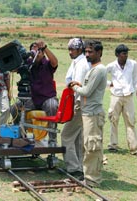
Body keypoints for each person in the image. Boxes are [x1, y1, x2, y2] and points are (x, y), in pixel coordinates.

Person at [69, 39, 107, 188]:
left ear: (99, 52)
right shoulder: (93, 69)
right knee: (87, 145)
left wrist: (74, 87)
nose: (87, 54)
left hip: (93, 114)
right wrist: (80, 86)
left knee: (92, 146)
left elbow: (87, 91)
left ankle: (93, 179)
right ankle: (89, 177)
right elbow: (87, 88)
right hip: (88, 113)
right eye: (86, 51)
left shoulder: (99, 70)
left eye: (90, 52)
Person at [10, 40, 59, 146]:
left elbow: (55, 62)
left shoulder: (47, 63)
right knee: (14, 108)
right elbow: (13, 68)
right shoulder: (28, 64)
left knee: (52, 106)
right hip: (32, 98)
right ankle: (20, 136)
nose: (36, 53)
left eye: (38, 51)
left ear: (43, 53)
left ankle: (52, 139)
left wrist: (45, 47)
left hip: (47, 98)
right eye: (33, 50)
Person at [61, 38, 90, 180]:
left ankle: (73, 168)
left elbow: (75, 86)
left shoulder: (81, 64)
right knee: (77, 137)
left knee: (66, 135)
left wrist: (73, 106)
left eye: (72, 49)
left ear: (80, 50)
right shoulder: (77, 62)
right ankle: (79, 166)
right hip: (78, 103)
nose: (70, 52)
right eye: (69, 49)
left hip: (78, 103)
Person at [106, 44, 137, 157]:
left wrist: (132, 89)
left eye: (126, 53)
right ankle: (113, 145)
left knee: (130, 122)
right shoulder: (111, 65)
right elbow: (101, 75)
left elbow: (135, 78)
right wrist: (109, 84)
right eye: (123, 54)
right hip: (115, 96)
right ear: (117, 54)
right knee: (113, 120)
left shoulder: (132, 64)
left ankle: (134, 148)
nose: (125, 56)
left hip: (128, 96)